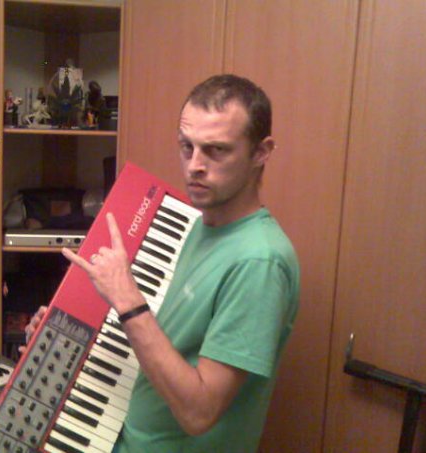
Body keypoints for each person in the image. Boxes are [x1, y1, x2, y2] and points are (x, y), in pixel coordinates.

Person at [24, 74, 300, 452]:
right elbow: (167, 341)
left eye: (216, 150)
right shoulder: (197, 224)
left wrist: (127, 300)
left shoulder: (260, 262)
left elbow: (199, 413)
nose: (194, 166)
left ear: (261, 152)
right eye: (187, 147)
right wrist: (67, 341)